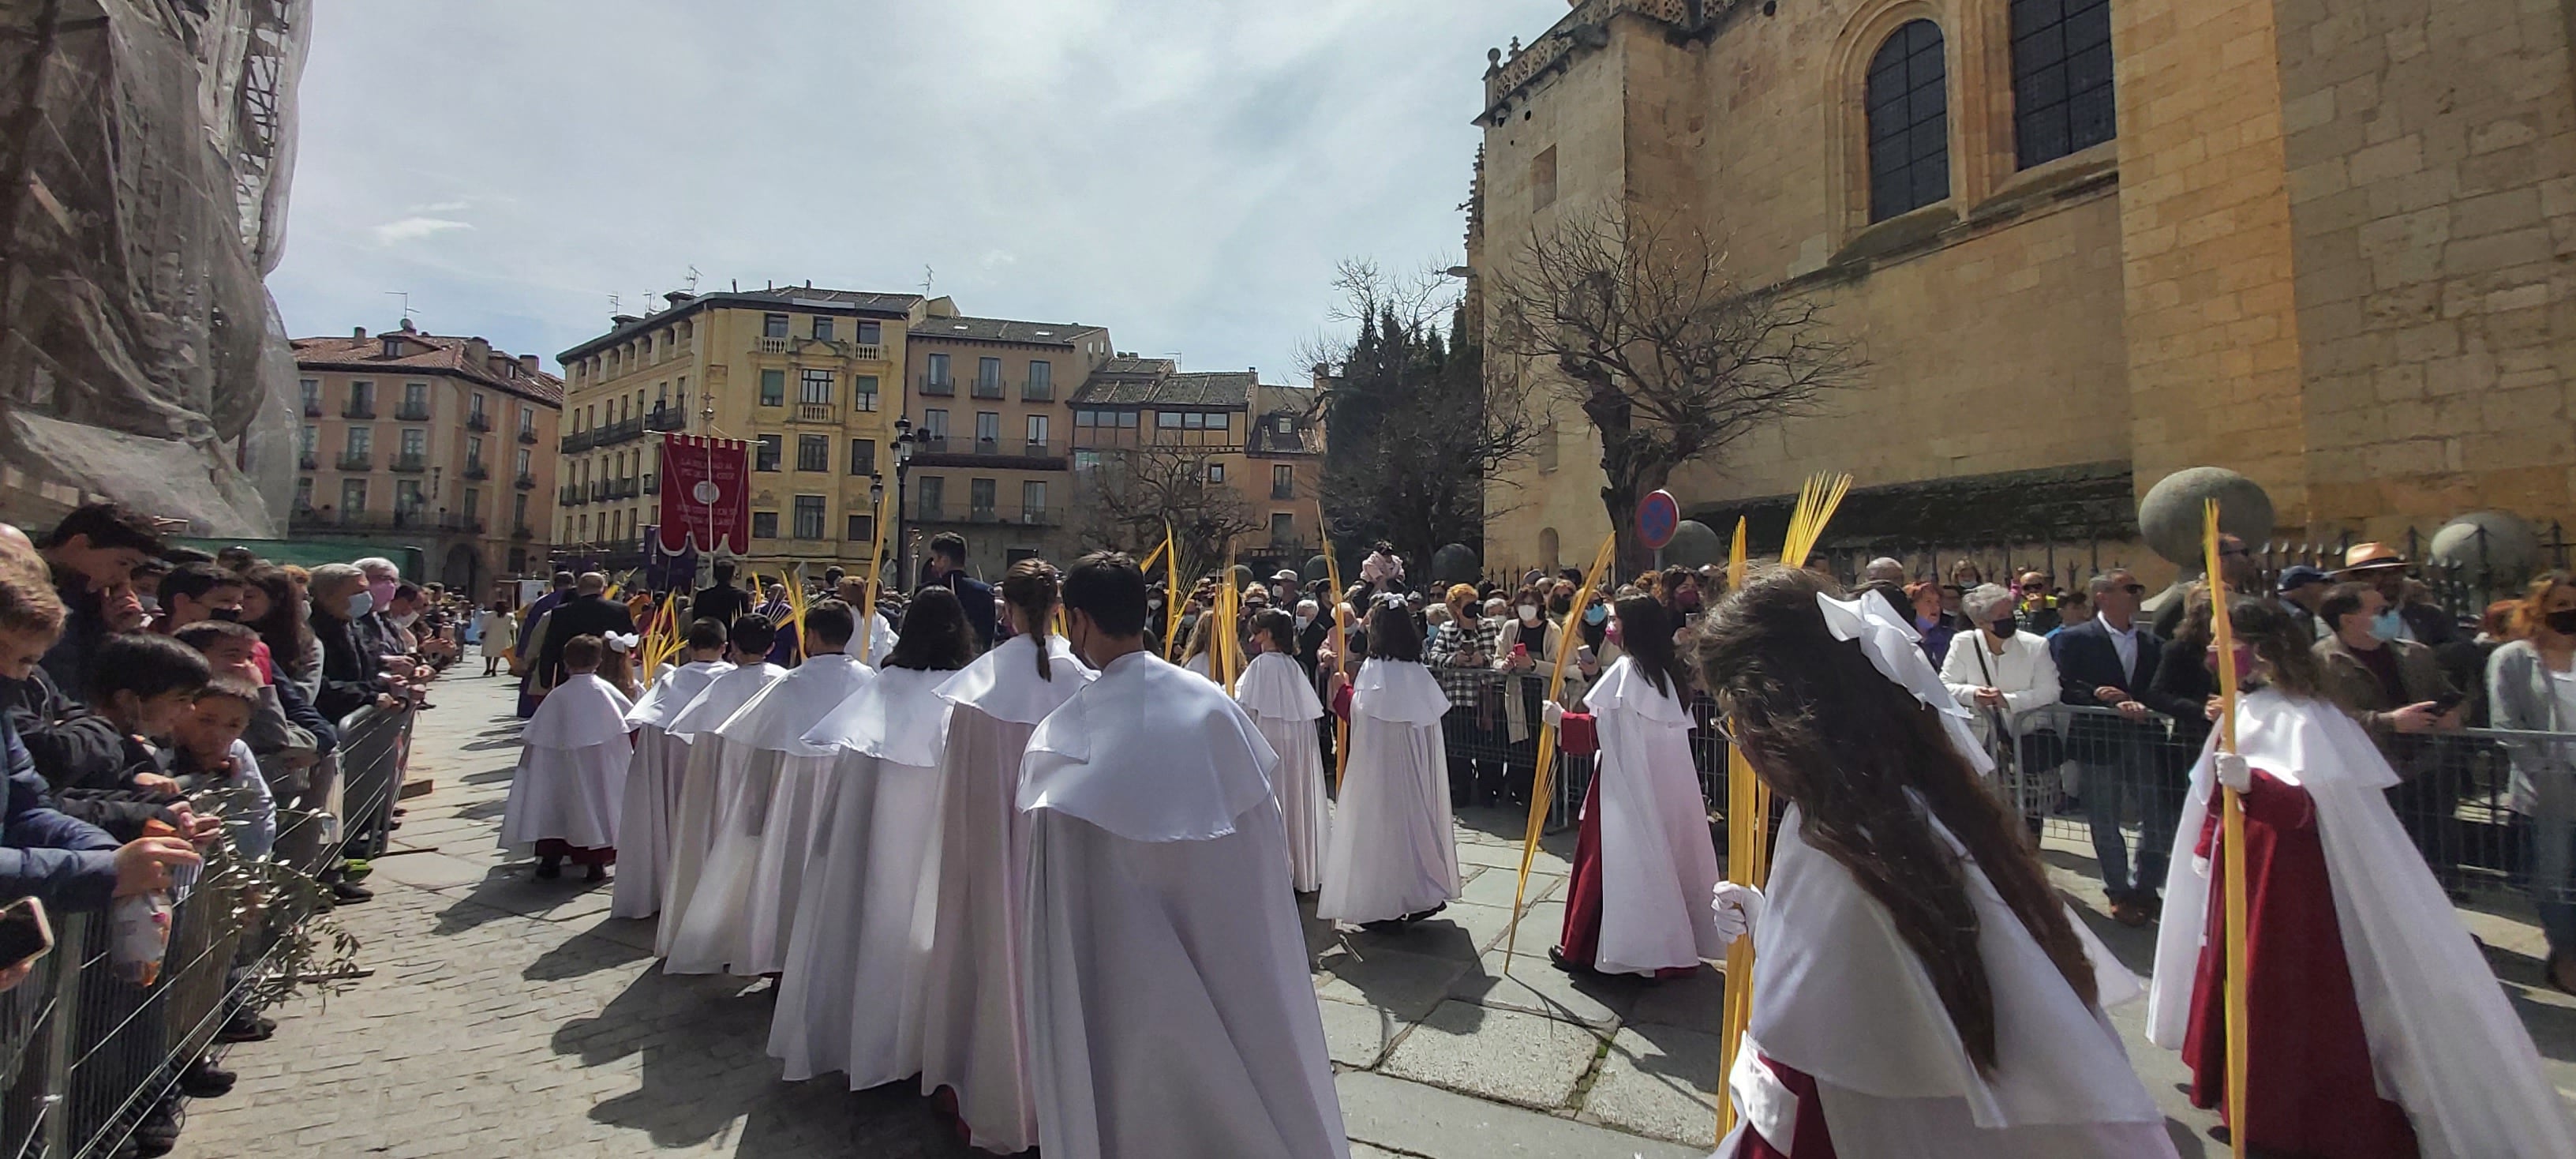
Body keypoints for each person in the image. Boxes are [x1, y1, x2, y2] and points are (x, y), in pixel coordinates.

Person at [1694, 567, 2170, 1157]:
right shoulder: (1900, 805)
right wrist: (1773, 924)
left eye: (1733, 721)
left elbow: (1806, 1062)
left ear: (1777, 717)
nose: (1736, 743)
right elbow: (1849, 971)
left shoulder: (1854, 849)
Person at [2146, 599, 2576, 1158]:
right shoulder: (2244, 706)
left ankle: (2294, 1111)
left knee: (2281, 988)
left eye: (2222, 640)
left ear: (2260, 647)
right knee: (2241, 981)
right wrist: (2213, 833)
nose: (2210, 652)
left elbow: (2320, 803)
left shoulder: (2307, 713)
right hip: (2246, 870)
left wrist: (2256, 783)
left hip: (2295, 883)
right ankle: (2244, 1097)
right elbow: (2217, 794)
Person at [1016, 552, 1346, 1158]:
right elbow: (1261, 842)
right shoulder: (1214, 706)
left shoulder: (1064, 738)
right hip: (1229, 958)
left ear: (1080, 622)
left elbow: (1058, 898)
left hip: (1121, 995)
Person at [771, 590, 965, 1086]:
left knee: (876, 920)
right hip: (937, 826)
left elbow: (852, 776)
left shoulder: (887, 684)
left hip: (882, 829)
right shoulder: (964, 688)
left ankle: (871, 1040)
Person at [665, 600, 875, 977]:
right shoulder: (870, 683)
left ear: (809, 637)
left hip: (795, 798)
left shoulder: (789, 684)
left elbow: (761, 750)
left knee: (789, 874)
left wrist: (753, 813)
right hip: (849, 794)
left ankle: (780, 955)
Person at [1545, 595, 1720, 977]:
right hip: (1665, 788)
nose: (1611, 627)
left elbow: (1607, 731)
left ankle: (1620, 954)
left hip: (1627, 787)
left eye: (1615, 620)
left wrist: (1562, 720)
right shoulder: (1667, 673)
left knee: (1617, 860)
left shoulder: (1629, 671)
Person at [1318, 595, 1459, 928]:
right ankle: (1421, 891)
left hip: (1381, 770)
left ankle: (1385, 902)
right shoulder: (1418, 672)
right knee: (1415, 828)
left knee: (1382, 830)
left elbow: (1365, 715)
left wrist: (1342, 691)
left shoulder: (1375, 669)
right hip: (1414, 772)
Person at [651, 614, 787, 960]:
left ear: (734, 648)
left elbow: (691, 734)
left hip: (723, 780)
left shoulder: (721, 687)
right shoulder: (785, 682)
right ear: (772, 646)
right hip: (767, 778)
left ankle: (712, 925)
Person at [2051, 569, 2171, 926]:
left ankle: (2147, 889)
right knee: (2104, 817)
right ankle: (2118, 890)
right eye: (2129, 589)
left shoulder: (2151, 644)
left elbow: (2159, 688)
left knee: (2155, 817)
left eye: (2139, 588)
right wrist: (2099, 697)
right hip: (2099, 740)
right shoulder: (2075, 639)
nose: (2137, 594)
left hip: (2144, 738)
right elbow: (2065, 686)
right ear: (2102, 595)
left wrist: (2139, 703)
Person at [607, 617, 732, 921]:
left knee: (670, 821)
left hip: (671, 771)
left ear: (688, 648)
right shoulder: (733, 681)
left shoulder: (670, 682)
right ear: (725, 648)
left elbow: (650, 736)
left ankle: (666, 887)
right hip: (716, 773)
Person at [2488, 572, 2576, 992]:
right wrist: (2541, 770)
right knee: (2554, 875)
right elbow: (2506, 724)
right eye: (2559, 605)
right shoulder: (2513, 659)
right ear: (2537, 611)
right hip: (2550, 788)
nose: (2569, 614)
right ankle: (2565, 954)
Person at [1940, 583, 2065, 830]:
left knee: (2028, 812)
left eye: (2010, 613)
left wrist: (2008, 700)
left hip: (2023, 739)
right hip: (1981, 740)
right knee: (1984, 812)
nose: (2009, 619)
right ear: (1981, 621)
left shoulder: (2035, 645)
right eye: (2001, 616)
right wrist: (1974, 693)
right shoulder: (1963, 643)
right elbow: (1945, 684)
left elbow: (2050, 690)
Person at [1238, 607, 1327, 893]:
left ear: (1266, 634)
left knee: (1275, 800)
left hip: (1268, 738)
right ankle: (1297, 863)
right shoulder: (1294, 667)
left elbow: (1244, 706)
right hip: (1296, 741)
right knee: (1295, 799)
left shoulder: (1262, 666)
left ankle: (1275, 867)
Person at [530, 573, 637, 697]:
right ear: (604, 588)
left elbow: (550, 647)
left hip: (569, 676)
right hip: (610, 674)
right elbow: (631, 640)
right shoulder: (619, 610)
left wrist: (546, 680)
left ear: (578, 588)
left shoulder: (561, 612)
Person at [515, 571, 577, 717]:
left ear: (554, 584)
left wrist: (523, 654)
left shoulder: (541, 602)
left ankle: (529, 712)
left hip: (543, 652)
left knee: (535, 684)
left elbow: (530, 629)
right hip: (571, 653)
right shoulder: (577, 602)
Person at [923, 532, 998, 650]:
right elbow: (987, 637)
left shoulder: (926, 592)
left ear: (944, 560)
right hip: (975, 663)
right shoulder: (985, 592)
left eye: (934, 559)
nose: (933, 565)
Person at [2275, 564, 2331, 643]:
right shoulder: (2297, 617)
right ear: (2308, 587)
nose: (2328, 586)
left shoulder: (2282, 609)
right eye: (2324, 582)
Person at [476, 600, 518, 677]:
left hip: (491, 636)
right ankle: (494, 669)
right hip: (502, 637)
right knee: (498, 653)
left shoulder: (489, 615)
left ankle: (488, 668)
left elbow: (485, 625)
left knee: (489, 652)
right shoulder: (509, 616)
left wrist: (482, 632)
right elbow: (513, 627)